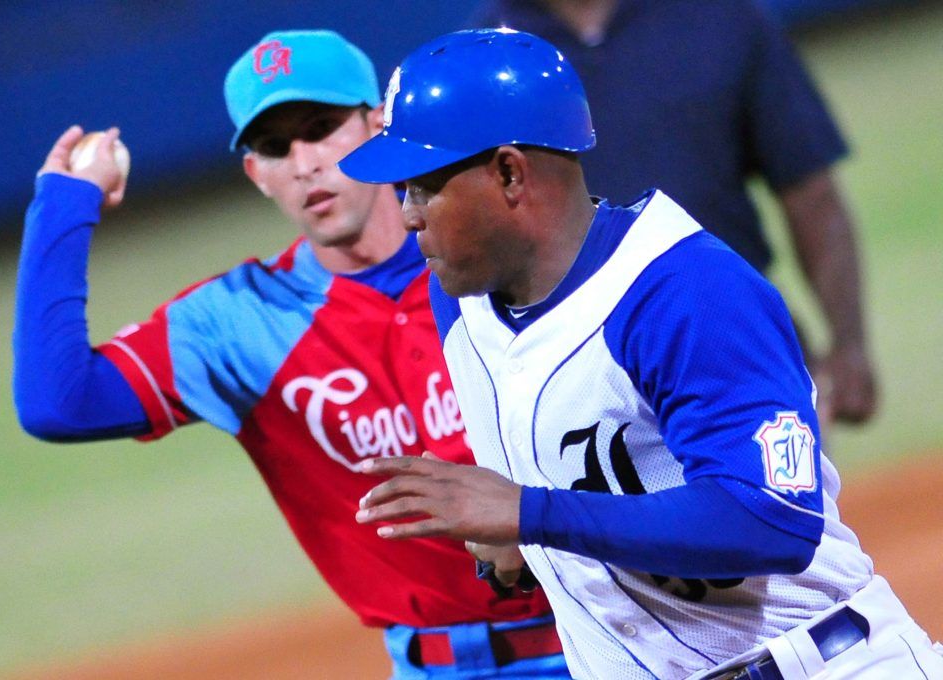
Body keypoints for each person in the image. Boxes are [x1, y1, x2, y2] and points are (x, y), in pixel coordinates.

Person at [342, 29, 943, 679]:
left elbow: (774, 521)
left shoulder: (685, 292)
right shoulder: (460, 301)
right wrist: (512, 547)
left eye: (424, 186)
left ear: (510, 172)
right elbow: (568, 510)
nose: (407, 216)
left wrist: (527, 511)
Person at [12, 29, 572, 679]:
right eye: (275, 147)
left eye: (321, 127)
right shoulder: (239, 322)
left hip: (614, 630)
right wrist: (63, 206)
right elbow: (57, 403)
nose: (304, 162)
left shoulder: (496, 256)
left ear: (378, 124)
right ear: (256, 174)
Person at [465, 0, 878, 428]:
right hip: (575, 376)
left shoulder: (720, 16)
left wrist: (849, 342)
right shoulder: (488, 56)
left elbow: (809, 190)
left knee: (774, 495)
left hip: (738, 341)